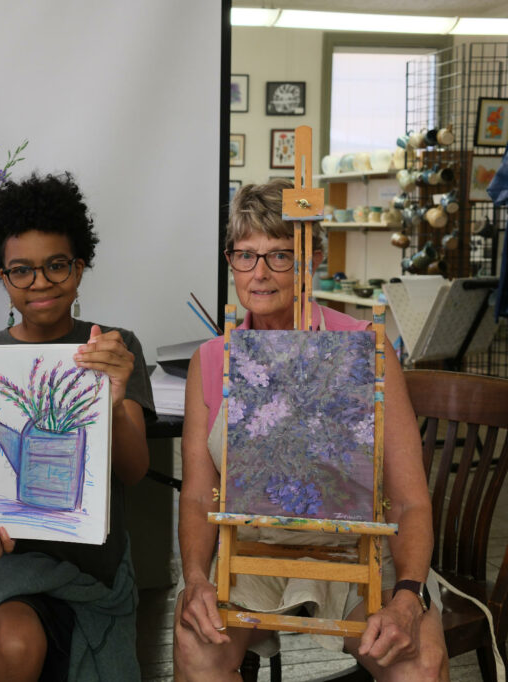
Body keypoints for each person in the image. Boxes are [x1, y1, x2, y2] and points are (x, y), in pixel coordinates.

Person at [173, 180, 449, 681]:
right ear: (230, 260)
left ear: (313, 258)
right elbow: (196, 496)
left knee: (420, 662)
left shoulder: (365, 348)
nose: (260, 275)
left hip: (358, 546)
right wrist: (194, 579)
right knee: (197, 646)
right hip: (253, 550)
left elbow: (409, 499)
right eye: (245, 255)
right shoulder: (212, 360)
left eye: (280, 256)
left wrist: (408, 596)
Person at [0, 172, 155, 682]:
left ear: (80, 267)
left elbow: (134, 471)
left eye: (56, 265)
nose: (40, 282)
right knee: (15, 639)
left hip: (96, 569)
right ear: (3, 277)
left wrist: (112, 400)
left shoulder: (115, 347)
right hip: (1, 561)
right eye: (21, 270)